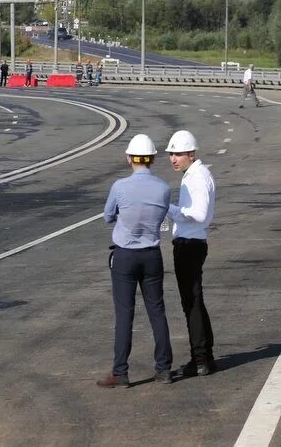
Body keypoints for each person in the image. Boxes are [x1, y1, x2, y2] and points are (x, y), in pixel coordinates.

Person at [97, 134, 174, 388]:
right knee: (157, 312)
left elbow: (108, 216)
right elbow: (162, 214)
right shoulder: (163, 188)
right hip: (152, 255)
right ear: (151, 159)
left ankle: (121, 372)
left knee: (124, 314)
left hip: (125, 256)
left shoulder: (120, 187)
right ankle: (164, 369)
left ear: (130, 158)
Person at [165, 130, 218, 377]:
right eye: (171, 154)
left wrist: (170, 209)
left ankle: (200, 360)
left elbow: (198, 214)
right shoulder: (194, 175)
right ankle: (205, 356)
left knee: (192, 303)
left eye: (178, 154)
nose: (173, 159)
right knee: (195, 300)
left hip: (190, 244)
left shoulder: (196, 177)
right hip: (191, 242)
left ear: (191, 154)